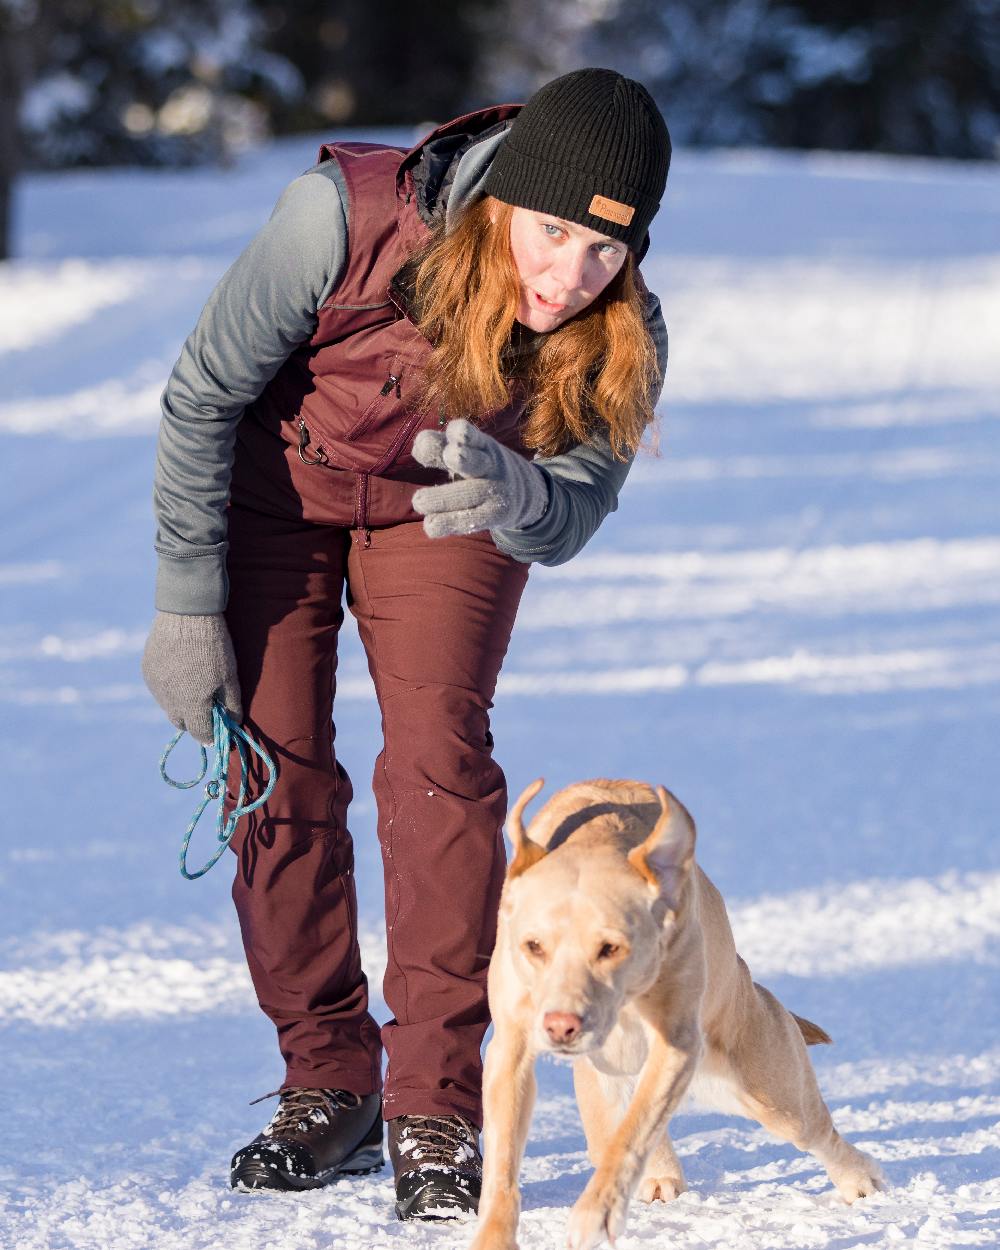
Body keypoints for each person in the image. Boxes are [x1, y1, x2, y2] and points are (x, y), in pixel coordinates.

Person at [141, 67, 671, 1221]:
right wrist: (186, 604)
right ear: (502, 200)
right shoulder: (337, 221)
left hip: (451, 505)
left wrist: (521, 491)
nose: (570, 276)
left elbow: (574, 508)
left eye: (606, 250)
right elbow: (200, 396)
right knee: (273, 765)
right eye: (552, 231)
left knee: (439, 767)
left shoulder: (623, 330)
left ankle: (434, 1100)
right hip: (278, 495)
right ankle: (327, 1078)